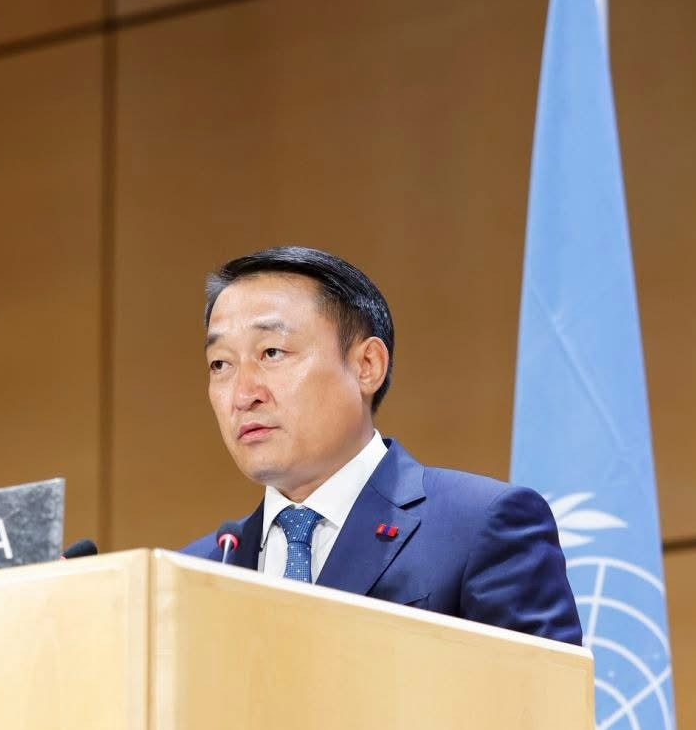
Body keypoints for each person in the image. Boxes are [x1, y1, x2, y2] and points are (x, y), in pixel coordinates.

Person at [180, 245, 582, 644]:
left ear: (367, 366)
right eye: (221, 364)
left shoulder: (479, 526)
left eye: (272, 352)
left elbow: (538, 688)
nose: (243, 394)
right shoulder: (198, 570)